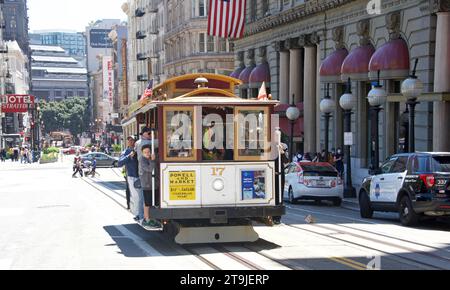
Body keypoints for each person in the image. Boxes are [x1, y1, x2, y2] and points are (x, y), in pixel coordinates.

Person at [139, 144, 161, 229]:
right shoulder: (142, 160)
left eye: (148, 152)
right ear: (142, 153)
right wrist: (152, 160)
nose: (147, 153)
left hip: (154, 184)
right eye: (145, 152)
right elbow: (149, 169)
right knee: (147, 203)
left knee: (155, 202)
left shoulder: (153, 158)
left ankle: (154, 218)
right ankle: (147, 219)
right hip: (147, 184)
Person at [118, 136, 140, 218]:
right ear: (127, 142)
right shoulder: (126, 151)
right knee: (135, 197)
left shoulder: (139, 150)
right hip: (132, 177)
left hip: (141, 176)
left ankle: (140, 213)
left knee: (141, 197)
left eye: (133, 140)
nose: (131, 142)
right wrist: (129, 156)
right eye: (129, 140)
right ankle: (137, 214)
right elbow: (119, 162)